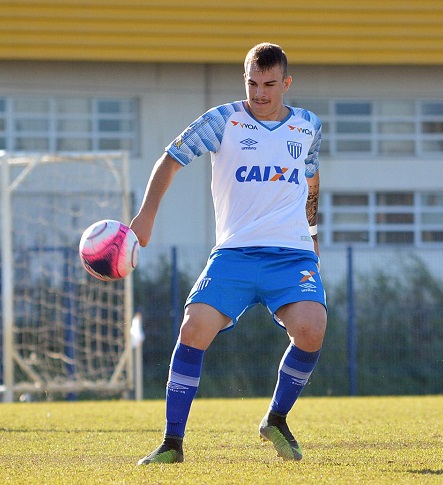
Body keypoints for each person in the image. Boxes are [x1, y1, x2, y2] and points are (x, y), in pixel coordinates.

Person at [131, 42, 327, 464]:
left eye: (270, 84)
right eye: (253, 83)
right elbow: (169, 160)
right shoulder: (223, 120)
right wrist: (145, 215)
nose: (260, 93)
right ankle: (172, 444)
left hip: (291, 255)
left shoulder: (309, 125)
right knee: (193, 327)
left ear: (286, 83)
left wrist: (312, 234)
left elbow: (311, 181)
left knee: (312, 328)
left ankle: (276, 419)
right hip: (235, 253)